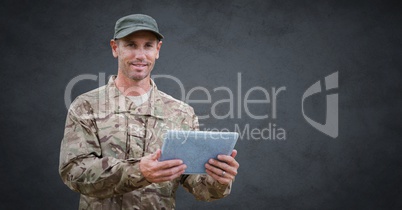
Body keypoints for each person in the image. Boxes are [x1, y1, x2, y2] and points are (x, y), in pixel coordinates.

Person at [59, 14, 240, 209]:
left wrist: (218, 179)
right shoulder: (87, 106)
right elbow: (74, 173)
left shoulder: (181, 113)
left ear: (158, 50)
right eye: (130, 45)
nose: (140, 55)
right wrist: (139, 171)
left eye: (148, 46)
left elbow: (196, 184)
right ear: (115, 48)